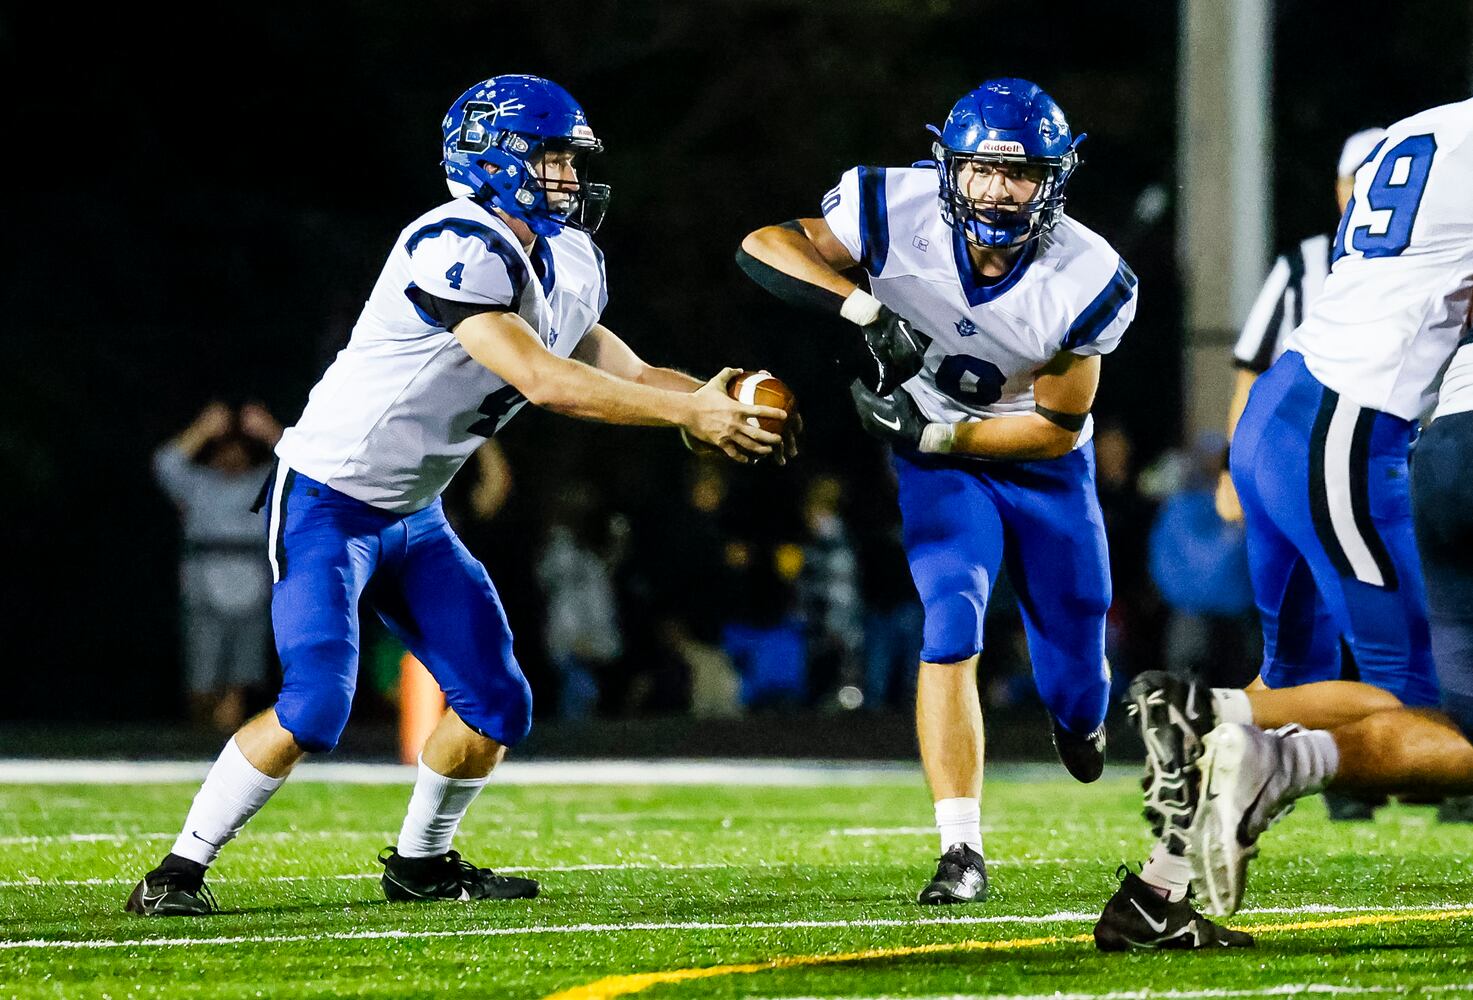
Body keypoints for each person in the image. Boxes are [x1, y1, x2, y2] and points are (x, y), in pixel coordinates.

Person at [125, 74, 790, 917]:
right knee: (315, 704)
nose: (570, 178)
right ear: (493, 161)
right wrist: (685, 412)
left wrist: (708, 404)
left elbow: (617, 367)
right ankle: (178, 871)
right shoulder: (451, 241)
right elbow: (545, 382)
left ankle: (421, 863)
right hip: (330, 501)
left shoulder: (570, 257)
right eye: (552, 159)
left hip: (414, 511)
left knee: (497, 703)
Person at [738, 78, 1140, 909]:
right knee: (950, 614)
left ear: (1054, 180)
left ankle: (1079, 715)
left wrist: (928, 434)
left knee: (1075, 661)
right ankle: (960, 847)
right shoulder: (895, 205)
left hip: (1034, 460)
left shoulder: (1087, 276)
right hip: (939, 465)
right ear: (946, 168)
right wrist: (859, 308)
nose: (996, 191)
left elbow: (1056, 430)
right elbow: (763, 245)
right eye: (981, 172)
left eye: (1020, 173)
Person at [1134, 98, 1473, 920]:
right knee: (1417, 716)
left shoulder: (1421, 127)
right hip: (1346, 428)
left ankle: (1156, 892)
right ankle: (1209, 718)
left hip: (1290, 410)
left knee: (1298, 679)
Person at [154, 402, 282, 730]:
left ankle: (228, 733)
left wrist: (270, 432)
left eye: (239, 450)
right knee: (202, 667)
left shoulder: (263, 483)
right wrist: (203, 428)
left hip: (251, 571)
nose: (232, 456)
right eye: (225, 450)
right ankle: (199, 729)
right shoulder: (199, 484)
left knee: (243, 668)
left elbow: (303, 468)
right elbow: (165, 464)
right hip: (204, 571)